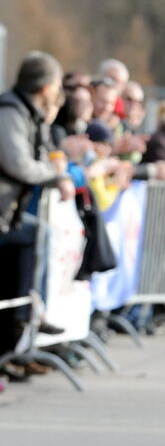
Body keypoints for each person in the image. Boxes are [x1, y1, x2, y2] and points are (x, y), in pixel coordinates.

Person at [0, 51, 76, 364]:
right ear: (46, 89)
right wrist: (56, 176)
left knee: (38, 233)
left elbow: (40, 158)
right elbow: (18, 164)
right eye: (57, 87)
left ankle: (25, 317)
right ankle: (26, 313)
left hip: (8, 213)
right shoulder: (10, 113)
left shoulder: (28, 113)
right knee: (36, 235)